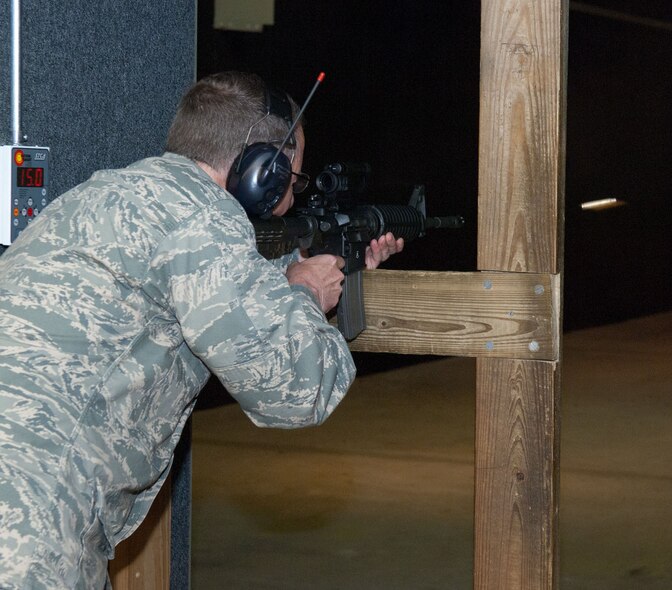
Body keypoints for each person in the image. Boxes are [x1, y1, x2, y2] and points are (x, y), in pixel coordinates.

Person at [0, 71, 403, 588]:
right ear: (263, 170)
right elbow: (298, 390)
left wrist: (318, 259)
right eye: (293, 181)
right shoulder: (203, 220)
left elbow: (214, 276)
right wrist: (306, 293)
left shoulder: (112, 192)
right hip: (29, 522)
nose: (290, 200)